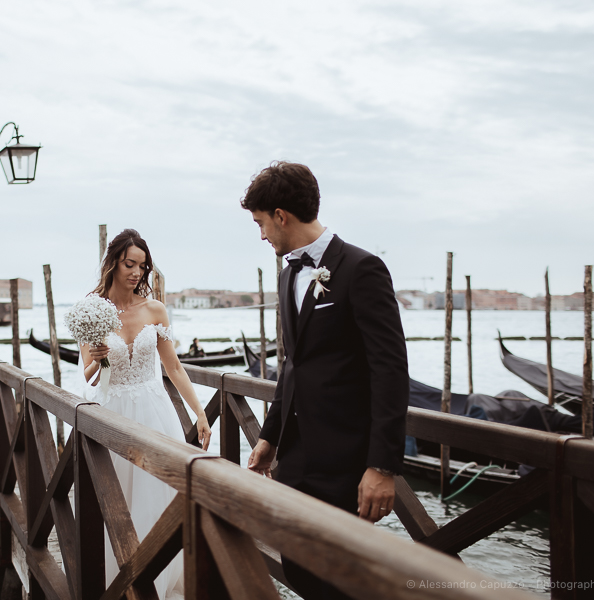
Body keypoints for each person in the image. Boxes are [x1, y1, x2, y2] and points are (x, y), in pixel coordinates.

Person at [243, 162, 408, 599]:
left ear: (281, 216)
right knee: (298, 566)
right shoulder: (287, 273)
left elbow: (390, 370)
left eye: (260, 223)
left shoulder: (361, 268)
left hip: (347, 462)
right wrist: (270, 434)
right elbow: (293, 363)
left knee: (344, 579)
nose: (261, 235)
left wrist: (382, 465)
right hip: (296, 459)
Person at [79, 228, 212, 599]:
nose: (136, 273)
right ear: (114, 263)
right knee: (117, 496)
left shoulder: (155, 310)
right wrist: (99, 358)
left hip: (155, 412)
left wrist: (199, 412)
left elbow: (175, 368)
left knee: (160, 497)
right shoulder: (93, 308)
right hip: (113, 412)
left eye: (142, 266)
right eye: (129, 264)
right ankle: (120, 579)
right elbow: (88, 376)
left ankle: (159, 580)